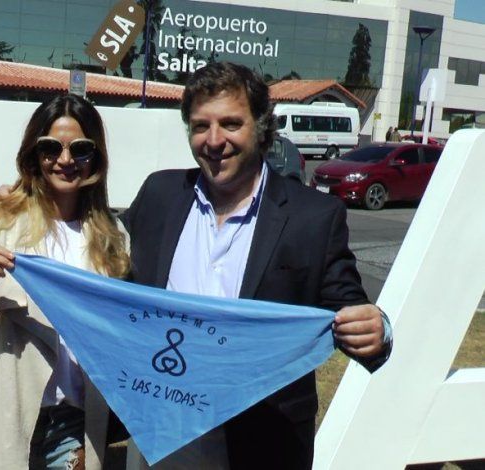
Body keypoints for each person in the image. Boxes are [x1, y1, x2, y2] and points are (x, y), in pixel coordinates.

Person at [121, 62, 391, 469]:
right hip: (164, 430)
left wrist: (376, 329)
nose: (214, 141)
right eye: (200, 126)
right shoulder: (159, 193)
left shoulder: (313, 217)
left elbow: (348, 306)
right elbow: (102, 260)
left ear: (261, 127)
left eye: (231, 124)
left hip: (263, 442)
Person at [0, 94, 131, 470]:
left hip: (74, 421)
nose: (65, 160)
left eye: (80, 149)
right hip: (0, 410)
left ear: (96, 156)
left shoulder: (113, 237)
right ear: (34, 153)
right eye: (51, 148)